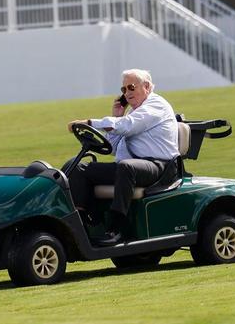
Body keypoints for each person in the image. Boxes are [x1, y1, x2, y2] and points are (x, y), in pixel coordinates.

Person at [67, 68, 180, 246]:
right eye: (123, 90)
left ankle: (116, 228)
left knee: (126, 167)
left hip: (160, 167)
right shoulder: (131, 113)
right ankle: (84, 222)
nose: (127, 93)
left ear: (147, 86)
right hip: (133, 168)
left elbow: (127, 126)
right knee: (76, 166)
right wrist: (116, 116)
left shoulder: (156, 106)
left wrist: (90, 123)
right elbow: (112, 147)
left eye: (131, 87)